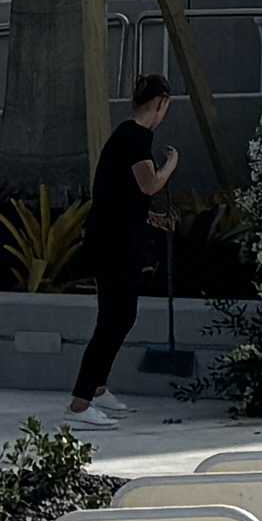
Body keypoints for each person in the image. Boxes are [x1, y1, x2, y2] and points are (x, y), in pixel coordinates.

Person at [71, 70, 174, 424]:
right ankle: (81, 402)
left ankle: (97, 388)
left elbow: (123, 195)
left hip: (117, 238)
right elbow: (148, 185)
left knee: (121, 316)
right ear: (160, 104)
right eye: (165, 108)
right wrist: (171, 165)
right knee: (114, 319)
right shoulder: (135, 138)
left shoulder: (128, 137)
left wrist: (149, 220)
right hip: (113, 245)